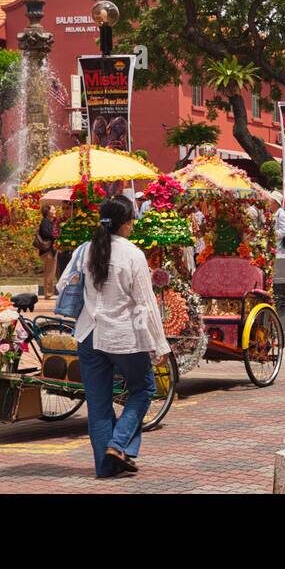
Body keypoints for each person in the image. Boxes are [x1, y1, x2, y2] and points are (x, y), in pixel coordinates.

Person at [74, 196, 171, 479]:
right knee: (143, 390)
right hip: (122, 336)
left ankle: (106, 467)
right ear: (126, 223)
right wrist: (159, 343)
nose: (133, 225)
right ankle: (118, 446)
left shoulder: (88, 250)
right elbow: (145, 303)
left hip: (89, 335)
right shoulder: (132, 254)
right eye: (132, 221)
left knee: (99, 405)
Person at [35, 205, 58, 296]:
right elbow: (46, 234)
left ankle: (49, 292)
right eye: (53, 209)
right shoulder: (45, 222)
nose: (55, 210)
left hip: (51, 250)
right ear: (48, 212)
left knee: (51, 272)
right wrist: (56, 233)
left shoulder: (50, 221)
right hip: (48, 251)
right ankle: (48, 293)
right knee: (49, 273)